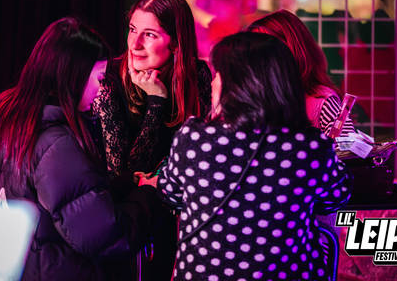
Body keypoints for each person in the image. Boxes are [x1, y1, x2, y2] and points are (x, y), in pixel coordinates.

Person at [146, 32, 351, 280]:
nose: (213, 83)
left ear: (239, 85)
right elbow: (337, 197)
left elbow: (170, 194)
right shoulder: (311, 147)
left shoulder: (194, 138)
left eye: (218, 74)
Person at [0, 18, 160, 281]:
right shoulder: (55, 143)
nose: (101, 89)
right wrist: (148, 196)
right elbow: (107, 237)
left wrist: (124, 185)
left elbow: (60, 202)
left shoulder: (9, 127)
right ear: (73, 76)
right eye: (99, 78)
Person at [93, 0, 212, 279]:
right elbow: (124, 173)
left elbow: (201, 154)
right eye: (133, 30)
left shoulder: (197, 75)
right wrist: (156, 103)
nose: (134, 44)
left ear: (176, 42)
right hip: (127, 219)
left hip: (181, 215)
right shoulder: (109, 80)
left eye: (149, 34)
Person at [248, 9, 355, 136]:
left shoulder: (321, 101)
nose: (256, 60)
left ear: (290, 50)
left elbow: (348, 146)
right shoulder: (254, 99)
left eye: (264, 51)